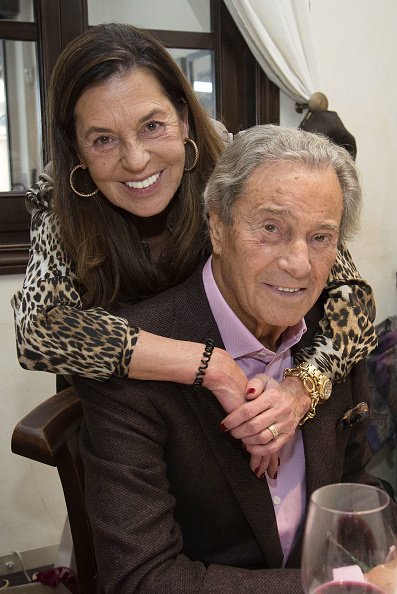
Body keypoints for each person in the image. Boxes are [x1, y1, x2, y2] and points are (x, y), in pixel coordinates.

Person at [11, 24, 377, 477]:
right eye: (103, 139)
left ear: (183, 117)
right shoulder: (61, 202)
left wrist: (302, 388)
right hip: (131, 435)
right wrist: (210, 365)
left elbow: (354, 301)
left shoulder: (228, 162)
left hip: (246, 414)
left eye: (152, 126)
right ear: (77, 149)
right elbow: (38, 331)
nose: (136, 159)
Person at [75, 125, 394, 593]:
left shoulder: (333, 336)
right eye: (270, 228)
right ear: (217, 228)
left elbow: (352, 478)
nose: (300, 264)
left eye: (321, 237)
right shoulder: (133, 363)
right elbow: (143, 580)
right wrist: (334, 584)